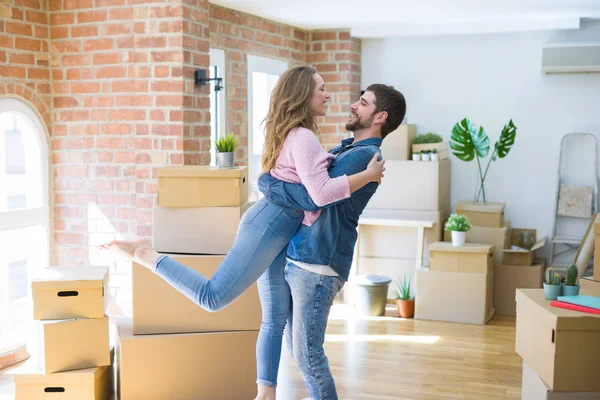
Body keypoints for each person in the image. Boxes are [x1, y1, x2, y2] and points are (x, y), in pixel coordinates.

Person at [99, 65, 385, 399]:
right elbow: (317, 196)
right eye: (321, 88)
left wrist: (271, 183)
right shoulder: (304, 137)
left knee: (274, 319)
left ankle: (265, 394)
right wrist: (366, 176)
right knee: (212, 296)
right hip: (270, 224)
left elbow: (290, 183)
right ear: (303, 95)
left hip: (280, 227)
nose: (328, 94)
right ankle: (145, 254)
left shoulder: (300, 134)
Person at [257, 83, 407, 400]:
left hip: (318, 265)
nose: (354, 105)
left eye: (363, 103)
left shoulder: (366, 156)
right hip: (304, 259)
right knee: (299, 352)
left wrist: (267, 182)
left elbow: (315, 196)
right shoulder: (346, 151)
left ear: (380, 116)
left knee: (309, 355)